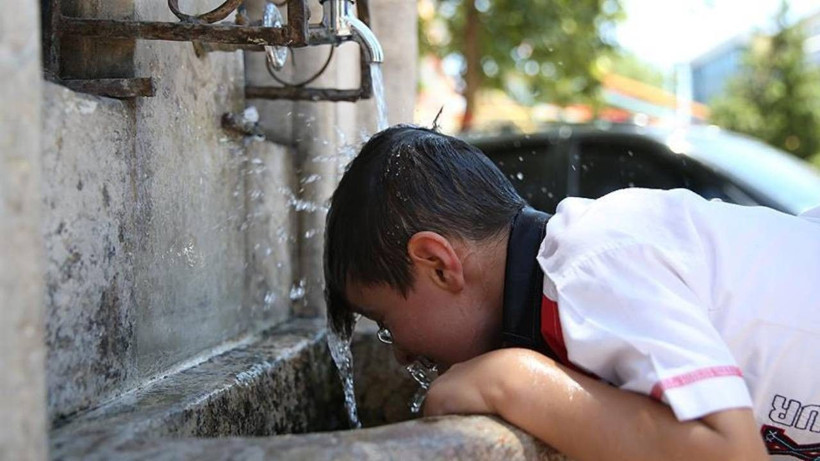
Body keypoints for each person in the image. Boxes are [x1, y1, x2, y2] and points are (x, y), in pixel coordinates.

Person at [323, 124, 820, 460]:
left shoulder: (593, 258)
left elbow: (730, 453)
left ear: (437, 263)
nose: (400, 354)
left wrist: (512, 380)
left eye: (385, 324)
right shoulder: (570, 292)